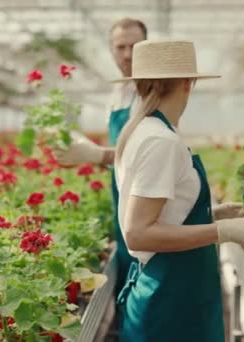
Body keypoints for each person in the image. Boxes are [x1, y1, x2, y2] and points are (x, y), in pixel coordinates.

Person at [112, 39, 244, 341]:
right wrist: (223, 231)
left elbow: (163, 214)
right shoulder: (159, 141)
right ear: (188, 83)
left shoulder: (148, 131)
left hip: (174, 295)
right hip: (170, 305)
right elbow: (138, 232)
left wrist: (213, 213)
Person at [52, 18, 147, 295]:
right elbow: (122, 146)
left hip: (146, 191)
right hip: (122, 188)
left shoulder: (153, 90)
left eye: (135, 46)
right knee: (132, 265)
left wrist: (95, 154)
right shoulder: (118, 91)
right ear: (111, 50)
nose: (128, 54)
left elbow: (151, 154)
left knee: (146, 264)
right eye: (121, 47)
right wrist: (82, 152)